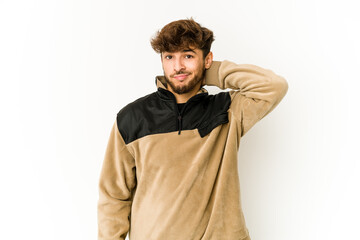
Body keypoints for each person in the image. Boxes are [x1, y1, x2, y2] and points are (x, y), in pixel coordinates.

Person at [97, 18, 288, 240]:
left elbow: (274, 86)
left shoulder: (229, 110)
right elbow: (113, 196)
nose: (177, 66)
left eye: (188, 56)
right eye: (169, 57)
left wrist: (210, 72)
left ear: (207, 59)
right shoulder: (132, 118)